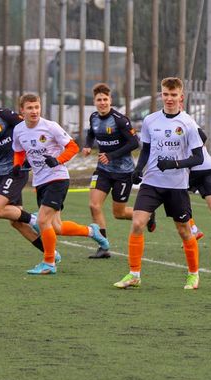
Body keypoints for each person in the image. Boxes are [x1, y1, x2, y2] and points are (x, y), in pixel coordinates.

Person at [113, 77, 204, 290]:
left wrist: (174, 164)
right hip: (151, 182)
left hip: (177, 185)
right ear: (161, 95)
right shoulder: (150, 120)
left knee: (184, 230)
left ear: (181, 97)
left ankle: (193, 274)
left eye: (173, 95)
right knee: (137, 223)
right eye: (165, 94)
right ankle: (134, 274)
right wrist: (138, 169)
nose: (169, 98)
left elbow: (198, 158)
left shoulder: (188, 123)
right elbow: (146, 149)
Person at [12, 93, 110, 275]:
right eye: (30, 108)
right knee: (55, 226)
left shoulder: (50, 127)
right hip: (40, 181)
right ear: (22, 110)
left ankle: (49, 262)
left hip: (57, 178)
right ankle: (91, 231)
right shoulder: (18, 130)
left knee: (42, 220)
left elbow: (73, 147)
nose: (34, 111)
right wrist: (17, 165)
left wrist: (57, 160)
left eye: (37, 107)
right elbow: (18, 151)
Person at [0, 83, 58, 260]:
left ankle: (34, 220)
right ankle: (50, 254)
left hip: (17, 168)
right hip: (1, 172)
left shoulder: (3, 114)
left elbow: (27, 126)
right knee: (15, 222)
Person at [82, 83, 140, 259]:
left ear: (110, 100)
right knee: (94, 205)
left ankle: (147, 214)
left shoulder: (119, 120)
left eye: (105, 99)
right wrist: (87, 145)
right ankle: (103, 246)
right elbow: (91, 133)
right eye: (99, 100)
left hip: (123, 172)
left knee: (119, 213)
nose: (102, 103)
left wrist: (111, 155)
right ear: (94, 102)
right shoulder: (93, 117)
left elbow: (134, 143)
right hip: (103, 170)